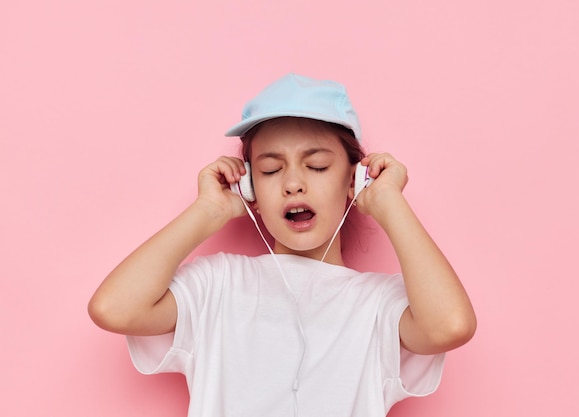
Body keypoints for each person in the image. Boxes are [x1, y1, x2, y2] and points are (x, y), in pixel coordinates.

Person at [88, 73, 476, 417]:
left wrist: (390, 202)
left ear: (353, 181)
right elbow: (114, 308)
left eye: (318, 166)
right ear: (250, 188)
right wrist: (208, 210)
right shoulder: (219, 284)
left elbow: (450, 326)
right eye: (271, 170)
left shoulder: (378, 305)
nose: (293, 183)